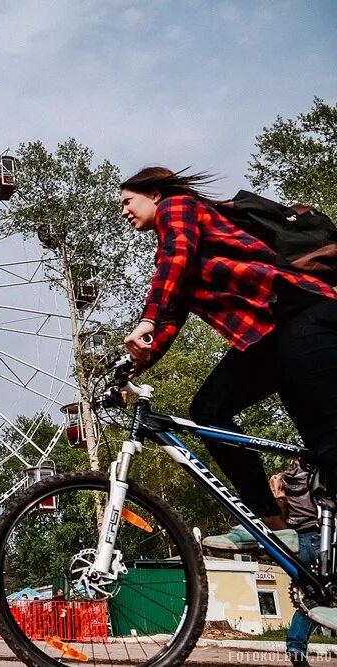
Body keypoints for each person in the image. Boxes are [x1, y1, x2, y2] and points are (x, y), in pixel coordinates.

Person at [120, 167, 337, 566]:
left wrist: (146, 319)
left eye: (127, 201)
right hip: (270, 337)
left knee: (328, 444)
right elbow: (172, 314)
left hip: (302, 314)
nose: (123, 212)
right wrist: (131, 367)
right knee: (209, 410)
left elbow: (175, 261)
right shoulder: (177, 247)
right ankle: (272, 525)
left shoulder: (178, 207)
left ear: (153, 193)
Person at [273, 460, 320, 667]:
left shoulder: (281, 479)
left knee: (313, 596)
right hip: (321, 538)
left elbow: (277, 516)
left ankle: (295, 646)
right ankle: (296, 645)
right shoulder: (319, 474)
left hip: (297, 543)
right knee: (322, 594)